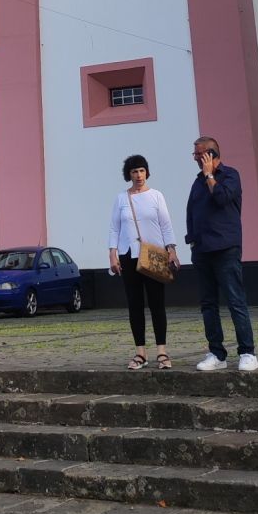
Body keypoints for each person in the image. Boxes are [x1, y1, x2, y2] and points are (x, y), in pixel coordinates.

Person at [185, 135, 258, 372]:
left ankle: (247, 352)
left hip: (226, 249)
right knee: (208, 304)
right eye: (195, 154)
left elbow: (221, 198)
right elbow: (192, 212)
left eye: (198, 154)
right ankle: (216, 353)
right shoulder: (197, 182)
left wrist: (209, 175)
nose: (195, 158)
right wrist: (192, 242)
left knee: (235, 301)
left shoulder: (230, 176)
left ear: (211, 155)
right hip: (202, 250)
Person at [107, 154, 180, 370]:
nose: (139, 175)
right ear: (128, 175)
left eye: (141, 170)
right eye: (134, 171)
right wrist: (112, 253)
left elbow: (166, 225)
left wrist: (172, 249)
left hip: (154, 255)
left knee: (157, 303)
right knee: (135, 305)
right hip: (129, 256)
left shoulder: (156, 196)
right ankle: (140, 352)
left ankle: (162, 351)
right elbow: (114, 227)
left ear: (147, 172)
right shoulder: (121, 198)